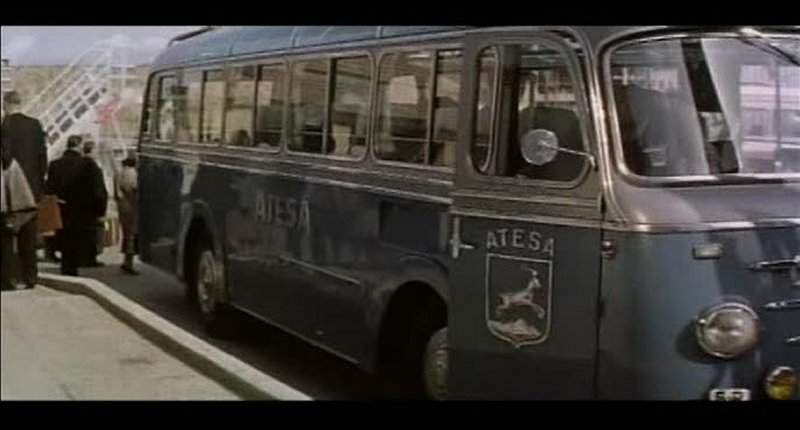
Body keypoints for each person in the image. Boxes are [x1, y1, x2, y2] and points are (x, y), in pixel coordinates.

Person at [1, 90, 48, 290]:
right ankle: (30, 277)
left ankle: (8, 279)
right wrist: (38, 186)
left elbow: (5, 158)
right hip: (31, 190)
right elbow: (43, 159)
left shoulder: (4, 126)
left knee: (5, 237)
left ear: (5, 104)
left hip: (8, 192)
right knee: (28, 236)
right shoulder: (35, 125)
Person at [45, 135, 105, 276]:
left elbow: (49, 189)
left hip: (62, 208)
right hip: (83, 210)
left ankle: (67, 267)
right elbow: (97, 190)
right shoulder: (88, 165)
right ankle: (81, 263)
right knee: (81, 239)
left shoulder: (55, 164)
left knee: (66, 241)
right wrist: (100, 210)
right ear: (79, 146)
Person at [81, 140, 108, 267]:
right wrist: (102, 209)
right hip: (92, 206)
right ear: (92, 151)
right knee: (92, 234)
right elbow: (99, 190)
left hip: (79, 205)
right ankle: (90, 258)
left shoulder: (78, 164)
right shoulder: (94, 168)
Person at [114, 154, 139, 274]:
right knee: (131, 235)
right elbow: (131, 189)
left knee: (126, 233)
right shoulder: (130, 172)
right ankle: (128, 262)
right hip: (130, 206)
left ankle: (126, 261)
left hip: (122, 206)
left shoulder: (119, 172)